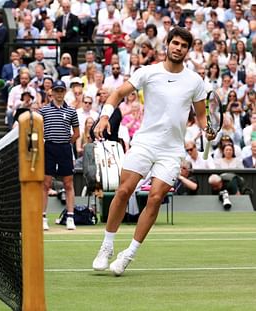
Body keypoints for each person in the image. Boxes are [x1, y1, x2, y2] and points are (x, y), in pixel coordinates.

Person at [91, 27, 215, 276]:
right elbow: (117, 93)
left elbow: (202, 116)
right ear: (167, 45)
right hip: (145, 142)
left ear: (188, 50)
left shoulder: (195, 81)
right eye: (175, 43)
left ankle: (129, 254)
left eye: (183, 45)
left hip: (172, 150)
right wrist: (104, 118)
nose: (178, 48)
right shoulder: (147, 72)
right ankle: (107, 246)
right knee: (124, 190)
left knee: (156, 198)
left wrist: (207, 129)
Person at [39, 80, 80, 231]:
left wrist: (65, 141)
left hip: (64, 148)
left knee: (68, 183)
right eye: (56, 90)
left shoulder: (71, 111)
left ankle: (70, 216)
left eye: (61, 90)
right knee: (46, 183)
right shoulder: (43, 111)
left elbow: (76, 133)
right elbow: (36, 129)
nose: (59, 93)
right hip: (48, 147)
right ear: (52, 92)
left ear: (64, 92)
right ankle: (43, 217)